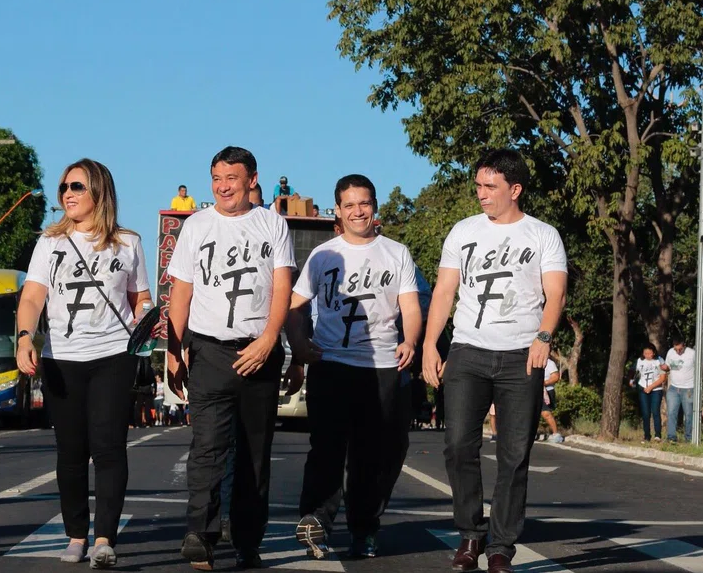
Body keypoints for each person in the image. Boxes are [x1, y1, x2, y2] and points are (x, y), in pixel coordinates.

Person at [421, 149, 567, 573]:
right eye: (478, 186)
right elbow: (445, 292)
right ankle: (470, 533)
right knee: (457, 445)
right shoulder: (462, 231)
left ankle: (501, 545)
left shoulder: (542, 235)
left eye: (490, 187)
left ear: (514, 189)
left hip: (522, 355)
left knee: (514, 453)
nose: (481, 194)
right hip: (467, 350)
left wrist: (544, 335)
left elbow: (554, 292)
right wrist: (432, 344)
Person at [15, 158, 151, 568]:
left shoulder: (128, 242)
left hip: (112, 355)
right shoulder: (49, 243)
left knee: (109, 448)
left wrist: (145, 316)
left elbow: (139, 297)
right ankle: (76, 534)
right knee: (71, 451)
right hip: (62, 358)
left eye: (76, 187)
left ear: (99, 193)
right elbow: (33, 297)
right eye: (63, 188)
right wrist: (25, 336)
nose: (67, 195)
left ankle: (105, 537)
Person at [166, 146, 296, 570]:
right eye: (216, 179)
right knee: (207, 447)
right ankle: (199, 536)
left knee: (254, 454)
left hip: (259, 351)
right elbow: (180, 292)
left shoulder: (272, 224)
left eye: (232, 179)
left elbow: (282, 288)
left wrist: (270, 340)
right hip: (209, 350)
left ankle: (247, 540)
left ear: (252, 180)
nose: (223, 187)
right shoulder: (196, 226)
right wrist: (174, 349)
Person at [286, 174, 423, 560]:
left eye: (363, 203)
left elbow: (410, 307)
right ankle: (315, 522)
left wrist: (409, 340)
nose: (357, 211)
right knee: (325, 449)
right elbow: (294, 307)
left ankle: (364, 529)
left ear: (374, 206)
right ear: (339, 211)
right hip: (330, 363)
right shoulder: (324, 255)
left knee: (370, 454)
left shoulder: (396, 253)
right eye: (349, 205)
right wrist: (299, 347)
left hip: (380, 365)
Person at [661, 336, 696, 443]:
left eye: (680, 349)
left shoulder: (692, 353)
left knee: (689, 414)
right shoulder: (670, 352)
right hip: (674, 388)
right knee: (671, 412)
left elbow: (699, 367)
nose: (678, 351)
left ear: (684, 345)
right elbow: (667, 366)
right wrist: (664, 367)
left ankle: (689, 438)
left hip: (688, 388)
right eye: (676, 349)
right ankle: (671, 437)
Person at [630, 345, 666, 443]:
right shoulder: (640, 361)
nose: (647, 355)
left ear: (653, 353)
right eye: (645, 353)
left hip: (656, 389)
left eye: (649, 353)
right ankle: (646, 435)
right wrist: (632, 380)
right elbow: (634, 372)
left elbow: (663, 378)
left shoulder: (659, 361)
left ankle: (658, 435)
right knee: (645, 413)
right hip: (643, 388)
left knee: (655, 412)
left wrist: (651, 387)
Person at [540, 357, 563, 443]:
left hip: (547, 391)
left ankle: (556, 434)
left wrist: (544, 383)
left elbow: (555, 377)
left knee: (546, 413)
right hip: (533, 391)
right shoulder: (532, 361)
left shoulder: (550, 363)